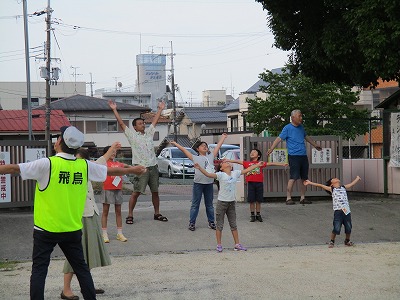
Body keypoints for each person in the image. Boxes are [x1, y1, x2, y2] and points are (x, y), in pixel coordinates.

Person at [0, 126, 146, 300]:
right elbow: (108, 171)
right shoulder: (83, 166)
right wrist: (132, 170)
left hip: (45, 229)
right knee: (82, 269)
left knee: (39, 270)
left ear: (59, 142)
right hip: (72, 228)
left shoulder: (48, 163)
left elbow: (13, 169)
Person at [61, 145, 118, 300]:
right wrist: (111, 149)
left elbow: (99, 163)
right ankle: (66, 289)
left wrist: (111, 150)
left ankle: (87, 285)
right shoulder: (69, 173)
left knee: (88, 252)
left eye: (82, 161)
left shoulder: (85, 170)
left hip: (91, 214)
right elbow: (101, 162)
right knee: (75, 254)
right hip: (79, 217)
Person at [109, 100, 168, 223]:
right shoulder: (132, 135)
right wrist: (114, 109)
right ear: (135, 127)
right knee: (136, 192)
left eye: (143, 123)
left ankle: (157, 213)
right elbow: (121, 123)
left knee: (155, 192)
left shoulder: (148, 134)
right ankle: (130, 215)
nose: (143, 125)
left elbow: (155, 121)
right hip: (140, 168)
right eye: (140, 123)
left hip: (153, 166)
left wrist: (160, 109)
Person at [194, 160, 264, 252]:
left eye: (228, 162)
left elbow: (247, 170)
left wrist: (258, 165)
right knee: (219, 225)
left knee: (233, 224)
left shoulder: (235, 173)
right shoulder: (220, 175)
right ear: (222, 167)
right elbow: (208, 174)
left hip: (231, 203)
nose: (227, 163)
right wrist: (200, 168)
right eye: (224, 163)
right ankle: (219, 245)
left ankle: (237, 244)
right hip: (222, 202)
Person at [170, 133, 228, 231]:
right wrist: (176, 144)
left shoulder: (211, 156)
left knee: (209, 204)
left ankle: (211, 222)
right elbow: (184, 149)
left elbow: (218, 146)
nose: (205, 147)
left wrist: (223, 137)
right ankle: (192, 223)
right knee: (195, 204)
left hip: (209, 183)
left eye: (206, 146)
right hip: (198, 183)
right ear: (198, 149)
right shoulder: (194, 157)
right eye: (202, 146)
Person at [267, 109, 322, 205]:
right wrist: (271, 148)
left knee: (304, 178)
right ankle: (288, 198)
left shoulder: (301, 127)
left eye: (301, 116)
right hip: (293, 156)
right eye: (299, 116)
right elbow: (279, 138)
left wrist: (315, 145)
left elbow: (306, 137)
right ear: (293, 117)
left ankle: (302, 198)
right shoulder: (287, 128)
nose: (301, 118)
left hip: (303, 155)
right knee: (293, 177)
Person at [224, 148, 288, 222]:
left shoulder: (260, 163)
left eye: (254, 152)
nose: (252, 152)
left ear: (258, 156)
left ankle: (258, 214)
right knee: (251, 200)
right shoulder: (247, 163)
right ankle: (252, 215)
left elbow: (271, 163)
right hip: (251, 183)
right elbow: (237, 161)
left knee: (258, 200)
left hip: (259, 183)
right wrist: (228, 160)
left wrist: (283, 164)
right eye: (251, 151)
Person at [304, 176, 361, 248]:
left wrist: (357, 178)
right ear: (331, 184)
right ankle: (332, 241)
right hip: (338, 211)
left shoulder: (343, 187)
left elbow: (351, 184)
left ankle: (347, 240)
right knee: (336, 227)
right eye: (333, 179)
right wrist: (310, 182)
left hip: (346, 210)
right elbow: (320, 185)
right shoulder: (332, 189)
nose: (336, 178)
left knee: (348, 226)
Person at [100, 145, 131, 243]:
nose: (113, 153)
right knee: (105, 212)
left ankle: (120, 233)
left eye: (114, 152)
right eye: (111, 151)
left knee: (118, 212)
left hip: (118, 189)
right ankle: (104, 234)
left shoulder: (119, 164)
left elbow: (128, 166)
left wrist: (136, 167)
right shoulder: (103, 164)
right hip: (107, 189)